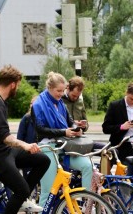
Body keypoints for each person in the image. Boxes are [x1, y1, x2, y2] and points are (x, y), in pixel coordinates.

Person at [0, 65, 50, 213]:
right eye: (19, 85)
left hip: (3, 150)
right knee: (22, 189)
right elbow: (3, 136)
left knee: (43, 160)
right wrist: (25, 145)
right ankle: (21, 197)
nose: (18, 88)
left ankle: (21, 200)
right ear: (13, 84)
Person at [32, 72, 90, 207]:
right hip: (48, 148)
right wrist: (64, 131)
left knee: (87, 166)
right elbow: (40, 130)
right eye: (58, 91)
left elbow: (69, 121)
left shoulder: (60, 102)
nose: (61, 94)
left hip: (64, 146)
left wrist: (76, 128)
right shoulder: (38, 104)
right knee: (49, 189)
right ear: (49, 88)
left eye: (63, 90)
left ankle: (87, 203)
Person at [102, 82, 133, 175]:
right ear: (126, 93)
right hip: (119, 145)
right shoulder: (115, 106)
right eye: (131, 99)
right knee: (106, 172)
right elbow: (105, 128)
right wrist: (121, 127)